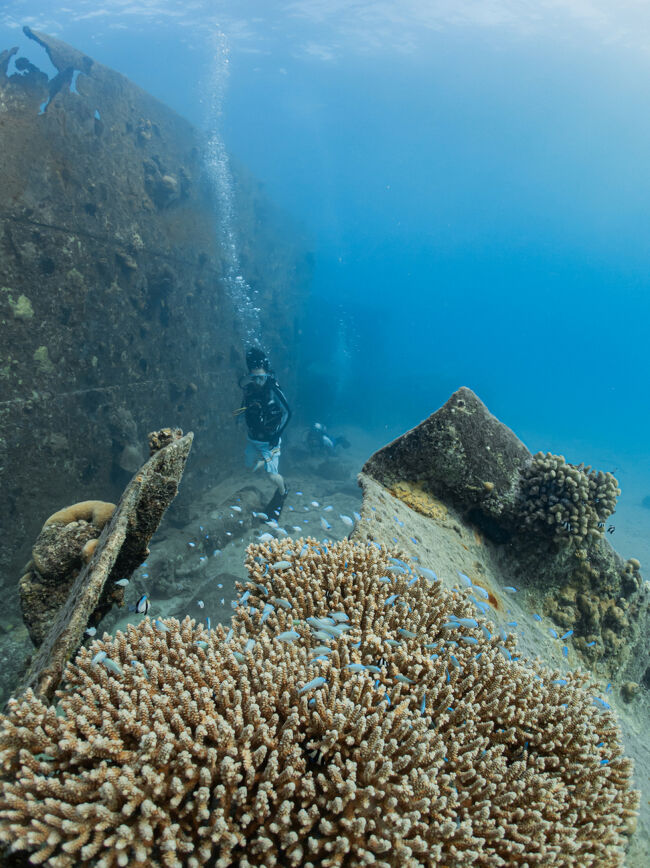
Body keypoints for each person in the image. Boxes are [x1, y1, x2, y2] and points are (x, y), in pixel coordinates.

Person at [237, 347, 291, 520]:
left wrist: (277, 435)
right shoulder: (249, 386)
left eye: (262, 377)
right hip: (253, 438)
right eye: (254, 377)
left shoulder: (273, 388)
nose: (258, 381)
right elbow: (243, 394)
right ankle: (261, 460)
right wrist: (238, 418)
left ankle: (283, 492)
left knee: (272, 476)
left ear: (268, 374)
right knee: (248, 465)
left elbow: (289, 412)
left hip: (270, 442)